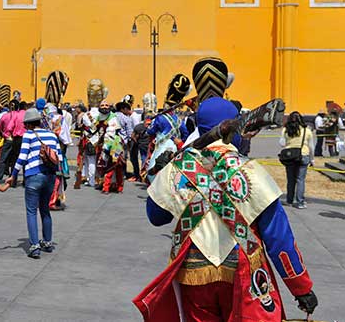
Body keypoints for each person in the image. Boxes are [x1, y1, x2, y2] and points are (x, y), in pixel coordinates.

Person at [135, 87, 319, 322]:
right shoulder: (250, 170)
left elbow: (156, 215)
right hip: (241, 269)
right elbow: (278, 236)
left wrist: (162, 173)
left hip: (194, 272)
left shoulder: (178, 167)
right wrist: (300, 287)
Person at [8, 108, 61, 259]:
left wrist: (13, 175)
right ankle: (48, 242)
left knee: (31, 211)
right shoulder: (52, 135)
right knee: (45, 210)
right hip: (50, 177)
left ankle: (34, 246)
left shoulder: (29, 135)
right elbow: (59, 157)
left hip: (33, 176)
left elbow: (22, 157)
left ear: (29, 124)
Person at [143, 74, 191, 182]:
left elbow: (151, 131)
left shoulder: (160, 118)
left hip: (161, 147)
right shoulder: (180, 121)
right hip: (174, 148)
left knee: (155, 174)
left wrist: (147, 124)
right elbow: (185, 134)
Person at [280, 111, 314, 209]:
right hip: (303, 154)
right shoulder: (307, 130)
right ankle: (300, 202)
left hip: (290, 155)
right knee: (300, 179)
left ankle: (289, 200)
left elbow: (282, 143)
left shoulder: (286, 129)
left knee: (290, 179)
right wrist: (312, 159)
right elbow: (311, 146)